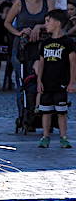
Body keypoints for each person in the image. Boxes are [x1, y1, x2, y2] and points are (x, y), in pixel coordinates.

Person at [4, 0, 55, 94]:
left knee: (44, 79)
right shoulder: (20, 2)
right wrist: (19, 33)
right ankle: (23, 111)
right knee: (22, 80)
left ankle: (41, 108)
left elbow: (54, 22)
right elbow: (7, 23)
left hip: (42, 46)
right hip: (22, 46)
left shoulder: (48, 2)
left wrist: (40, 26)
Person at [34, 9, 75, 148]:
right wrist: (39, 81)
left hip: (61, 83)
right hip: (46, 83)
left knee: (61, 112)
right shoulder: (45, 43)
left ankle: (63, 137)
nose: (45, 25)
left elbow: (73, 64)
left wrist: (72, 82)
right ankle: (45, 136)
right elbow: (41, 63)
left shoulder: (68, 42)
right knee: (46, 111)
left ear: (57, 23)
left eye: (48, 21)